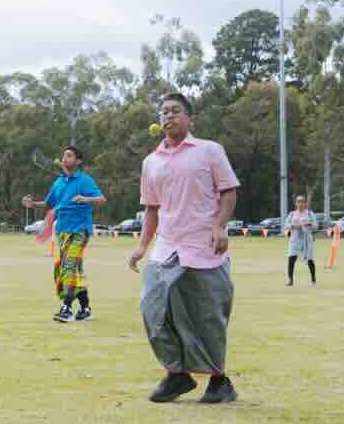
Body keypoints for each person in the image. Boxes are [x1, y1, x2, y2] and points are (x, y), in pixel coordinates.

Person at [128, 93, 240, 403]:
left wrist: (219, 227)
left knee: (207, 316)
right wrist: (141, 247)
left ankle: (219, 381)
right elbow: (152, 208)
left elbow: (228, 192)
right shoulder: (151, 162)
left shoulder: (209, 151)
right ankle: (177, 375)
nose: (169, 116)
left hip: (203, 246)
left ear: (190, 118)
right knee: (153, 309)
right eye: (164, 112)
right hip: (166, 248)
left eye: (176, 111)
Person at [22, 146, 106, 323]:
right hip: (62, 230)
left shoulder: (85, 180)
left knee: (68, 267)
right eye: (63, 156)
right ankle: (85, 309)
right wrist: (32, 204)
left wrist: (85, 199)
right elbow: (48, 203)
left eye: (69, 156)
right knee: (75, 269)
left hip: (80, 230)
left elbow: (101, 199)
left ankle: (66, 308)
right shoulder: (59, 182)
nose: (64, 158)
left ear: (78, 161)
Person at [284, 192, 318, 286]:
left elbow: (316, 225)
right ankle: (290, 280)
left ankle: (313, 280)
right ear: (296, 203)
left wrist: (309, 224)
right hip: (295, 240)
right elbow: (286, 225)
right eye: (299, 202)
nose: (300, 203)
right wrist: (294, 225)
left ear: (305, 203)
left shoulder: (310, 214)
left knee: (310, 259)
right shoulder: (292, 214)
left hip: (307, 239)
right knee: (291, 258)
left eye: (302, 201)